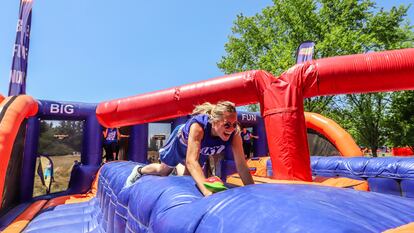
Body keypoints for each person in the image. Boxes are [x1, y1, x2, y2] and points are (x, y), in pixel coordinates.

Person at [126, 101, 254, 196]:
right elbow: (191, 161)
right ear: (214, 122)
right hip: (181, 141)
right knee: (163, 171)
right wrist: (207, 192)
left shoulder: (234, 134)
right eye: (226, 125)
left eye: (234, 124)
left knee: (187, 178)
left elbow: (242, 165)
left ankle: (179, 167)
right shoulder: (198, 127)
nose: (231, 128)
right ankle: (139, 170)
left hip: (201, 148)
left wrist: (253, 192)